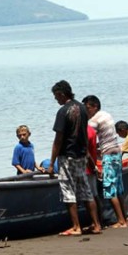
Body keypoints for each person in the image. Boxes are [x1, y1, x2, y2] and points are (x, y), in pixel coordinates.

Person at [47, 80, 101, 236]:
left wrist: (52, 162)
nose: (56, 100)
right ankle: (96, 224)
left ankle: (76, 227)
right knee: (85, 191)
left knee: (68, 191)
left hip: (68, 156)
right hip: (81, 155)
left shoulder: (64, 111)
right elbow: (84, 133)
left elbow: (58, 139)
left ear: (62, 94)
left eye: (56, 96)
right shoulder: (83, 109)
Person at [82, 95, 128, 228]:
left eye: (87, 108)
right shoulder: (107, 115)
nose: (86, 111)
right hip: (116, 152)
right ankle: (125, 219)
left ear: (95, 106)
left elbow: (89, 138)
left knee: (109, 188)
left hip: (108, 154)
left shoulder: (94, 121)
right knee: (118, 188)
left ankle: (120, 221)